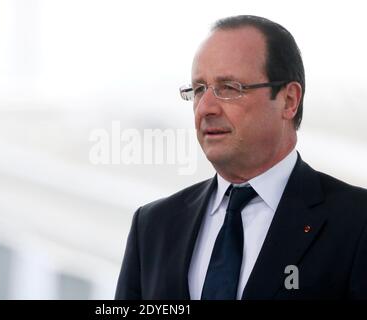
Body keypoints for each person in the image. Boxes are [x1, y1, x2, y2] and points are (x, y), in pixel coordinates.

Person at [115, 15, 367, 300]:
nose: (205, 108)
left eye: (229, 88)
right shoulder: (153, 226)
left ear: (289, 100)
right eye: (198, 90)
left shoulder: (356, 223)